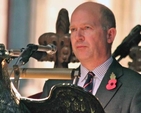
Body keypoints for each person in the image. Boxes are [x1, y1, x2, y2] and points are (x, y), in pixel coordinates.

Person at [41, 1, 141, 113]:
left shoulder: (135, 87)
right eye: (73, 29)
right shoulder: (53, 86)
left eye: (86, 28)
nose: (78, 37)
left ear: (109, 35)